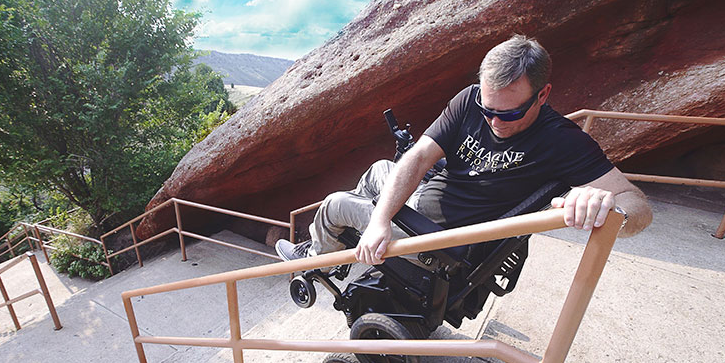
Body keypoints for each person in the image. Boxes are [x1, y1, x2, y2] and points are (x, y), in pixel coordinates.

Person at [276, 34, 652, 265]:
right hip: (426, 201)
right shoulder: (469, 101)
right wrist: (379, 221)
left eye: (510, 113)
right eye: (488, 110)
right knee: (379, 170)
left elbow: (638, 206)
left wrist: (609, 209)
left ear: (544, 94)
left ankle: (315, 260)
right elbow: (421, 155)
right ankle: (353, 240)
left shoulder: (563, 140)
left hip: (441, 239)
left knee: (335, 204)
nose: (494, 122)